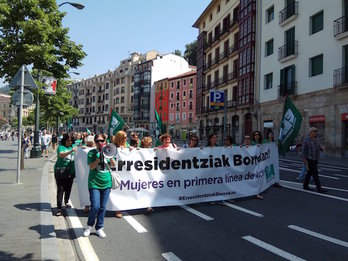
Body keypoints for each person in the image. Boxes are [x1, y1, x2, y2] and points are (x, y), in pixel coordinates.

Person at [83, 133, 115, 238]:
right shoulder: (92, 153)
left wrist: (108, 156)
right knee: (95, 206)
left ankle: (99, 227)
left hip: (107, 182)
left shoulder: (109, 150)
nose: (100, 143)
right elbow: (91, 167)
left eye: (102, 141)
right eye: (97, 141)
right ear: (95, 142)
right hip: (94, 182)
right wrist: (98, 157)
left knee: (102, 207)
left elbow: (114, 164)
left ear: (105, 142)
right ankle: (89, 225)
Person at [54, 133, 77, 216]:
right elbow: (61, 155)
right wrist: (71, 151)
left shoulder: (73, 146)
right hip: (60, 171)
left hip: (71, 171)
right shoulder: (61, 147)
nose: (70, 142)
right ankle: (59, 207)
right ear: (64, 140)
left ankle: (66, 201)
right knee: (60, 189)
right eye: (68, 140)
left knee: (68, 188)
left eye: (71, 141)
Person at [302, 127, 327, 193]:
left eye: (316, 131)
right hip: (310, 159)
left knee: (309, 173)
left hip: (315, 159)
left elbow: (319, 148)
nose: (316, 133)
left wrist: (322, 148)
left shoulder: (316, 139)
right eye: (315, 131)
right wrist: (304, 159)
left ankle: (305, 186)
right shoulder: (306, 140)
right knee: (315, 174)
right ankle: (319, 188)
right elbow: (304, 150)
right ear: (311, 132)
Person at [112, 130, 129, 218]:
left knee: (122, 190)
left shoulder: (127, 145)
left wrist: (134, 149)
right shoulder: (112, 147)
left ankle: (119, 207)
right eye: (125, 137)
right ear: (120, 138)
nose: (126, 139)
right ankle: (117, 210)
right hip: (115, 171)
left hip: (124, 171)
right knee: (116, 189)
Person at [139, 136, 154, 214]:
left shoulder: (153, 150)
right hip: (141, 173)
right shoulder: (139, 150)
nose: (151, 143)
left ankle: (149, 206)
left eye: (151, 142)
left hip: (150, 173)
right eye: (149, 141)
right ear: (145, 143)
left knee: (150, 189)